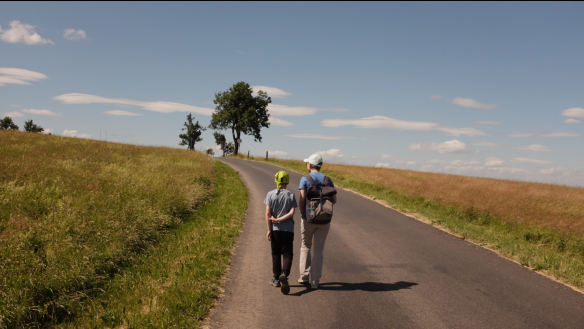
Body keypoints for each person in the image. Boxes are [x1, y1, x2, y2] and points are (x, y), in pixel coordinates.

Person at [298, 154, 337, 289]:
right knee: (319, 250)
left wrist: (301, 211)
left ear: (309, 165)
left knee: (305, 245)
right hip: (324, 220)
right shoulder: (328, 180)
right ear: (320, 165)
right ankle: (315, 282)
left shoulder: (305, 179)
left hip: (308, 217)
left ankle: (303, 276)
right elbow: (334, 200)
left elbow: (302, 199)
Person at [264, 170, 298, 295]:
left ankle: (276, 279)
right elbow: (292, 213)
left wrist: (270, 228)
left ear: (276, 180)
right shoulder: (291, 195)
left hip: (275, 229)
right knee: (287, 254)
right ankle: (285, 274)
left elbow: (268, 214)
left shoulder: (270, 194)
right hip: (288, 229)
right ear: (287, 181)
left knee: (276, 254)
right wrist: (281, 219)